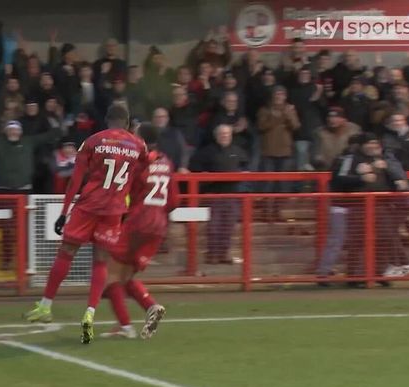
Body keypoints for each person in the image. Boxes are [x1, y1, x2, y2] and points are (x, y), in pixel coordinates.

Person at [22, 104, 148, 345]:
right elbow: (143, 179)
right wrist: (131, 207)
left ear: (107, 120)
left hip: (89, 206)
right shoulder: (138, 145)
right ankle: (90, 313)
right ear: (127, 123)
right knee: (100, 262)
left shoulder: (93, 141)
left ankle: (45, 306)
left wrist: (64, 212)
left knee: (66, 253)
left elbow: (76, 179)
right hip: (114, 210)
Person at [101, 122, 176, 340]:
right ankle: (151, 306)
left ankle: (126, 327)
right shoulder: (166, 161)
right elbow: (173, 201)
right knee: (125, 276)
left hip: (138, 222)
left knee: (110, 276)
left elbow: (121, 190)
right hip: (158, 225)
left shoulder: (136, 161)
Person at [331, 133, 409, 287]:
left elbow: (395, 179)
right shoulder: (351, 159)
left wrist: (397, 181)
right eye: (369, 143)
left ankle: (381, 273)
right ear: (362, 145)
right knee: (358, 241)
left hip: (382, 205)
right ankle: (355, 276)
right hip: (358, 205)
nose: (373, 146)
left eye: (375, 143)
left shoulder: (382, 160)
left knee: (385, 239)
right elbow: (338, 180)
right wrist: (359, 178)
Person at [189, 124, 248, 264]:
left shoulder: (238, 151)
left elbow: (246, 166)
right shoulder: (207, 152)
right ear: (216, 136)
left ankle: (224, 254)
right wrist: (203, 175)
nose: (224, 136)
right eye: (222, 133)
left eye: (227, 133)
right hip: (214, 194)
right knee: (214, 227)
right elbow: (194, 167)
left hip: (232, 195)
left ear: (231, 135)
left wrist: (244, 173)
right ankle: (212, 255)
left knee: (228, 226)